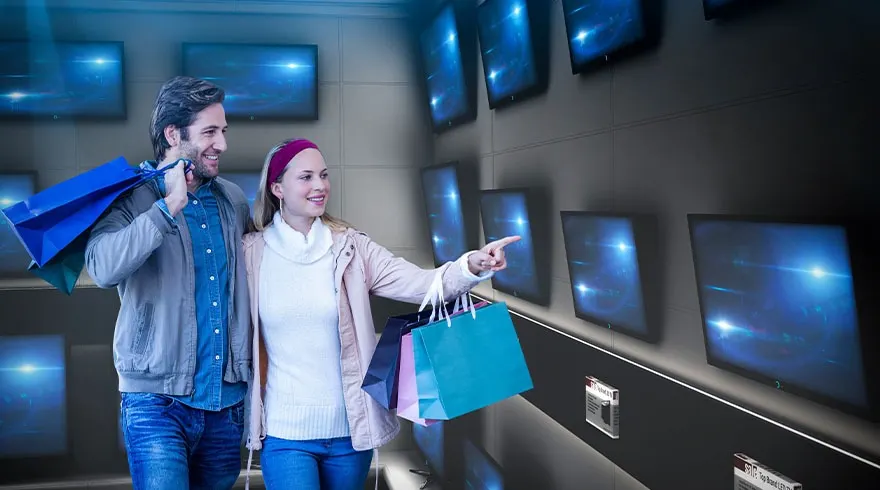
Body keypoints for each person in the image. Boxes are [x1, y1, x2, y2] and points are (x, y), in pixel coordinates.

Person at [241, 138, 520, 490]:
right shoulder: (251, 254)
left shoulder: (352, 247)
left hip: (351, 435)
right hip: (285, 435)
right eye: (306, 177)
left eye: (324, 175)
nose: (320, 185)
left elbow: (422, 285)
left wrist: (472, 266)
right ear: (277, 188)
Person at [85, 76, 253, 490]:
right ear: (173, 134)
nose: (222, 144)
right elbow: (102, 267)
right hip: (155, 404)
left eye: (223, 131)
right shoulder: (130, 197)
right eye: (209, 132)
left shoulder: (232, 199)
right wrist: (170, 205)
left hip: (226, 404)